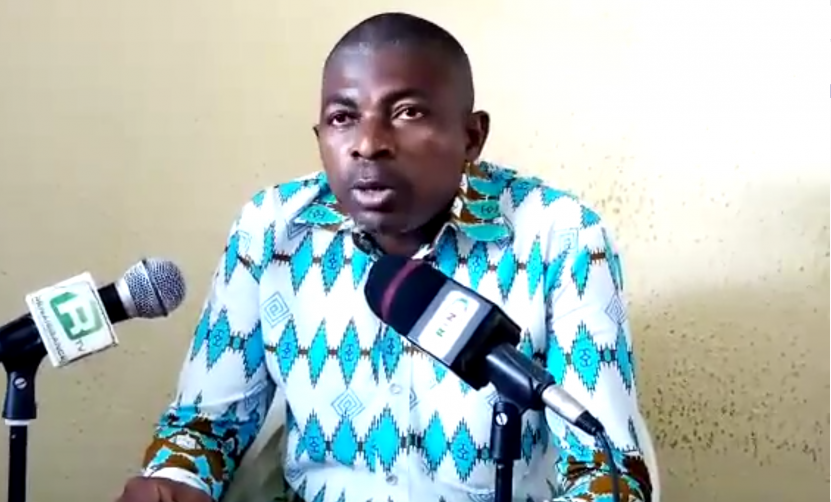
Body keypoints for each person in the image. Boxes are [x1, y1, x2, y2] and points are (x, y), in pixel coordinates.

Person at [116, 11, 655, 502]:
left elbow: (608, 471)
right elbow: (206, 425)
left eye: (407, 112)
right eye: (342, 117)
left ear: (472, 136)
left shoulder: (559, 238)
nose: (369, 143)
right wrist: (175, 481)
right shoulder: (272, 230)